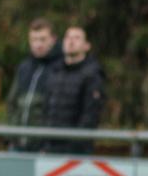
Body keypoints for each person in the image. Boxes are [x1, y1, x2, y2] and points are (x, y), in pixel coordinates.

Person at [42, 26, 104, 154]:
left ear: (86, 45)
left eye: (77, 38)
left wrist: (76, 146)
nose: (71, 41)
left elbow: (90, 116)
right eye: (68, 37)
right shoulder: (54, 71)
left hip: (76, 151)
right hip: (50, 147)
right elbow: (46, 109)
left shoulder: (92, 75)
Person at [5, 18, 63, 151]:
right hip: (17, 144)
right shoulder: (24, 67)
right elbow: (12, 102)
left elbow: (56, 110)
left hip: (43, 147)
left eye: (42, 39)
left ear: (53, 39)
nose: (38, 44)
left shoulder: (61, 68)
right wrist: (11, 136)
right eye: (34, 39)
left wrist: (47, 142)